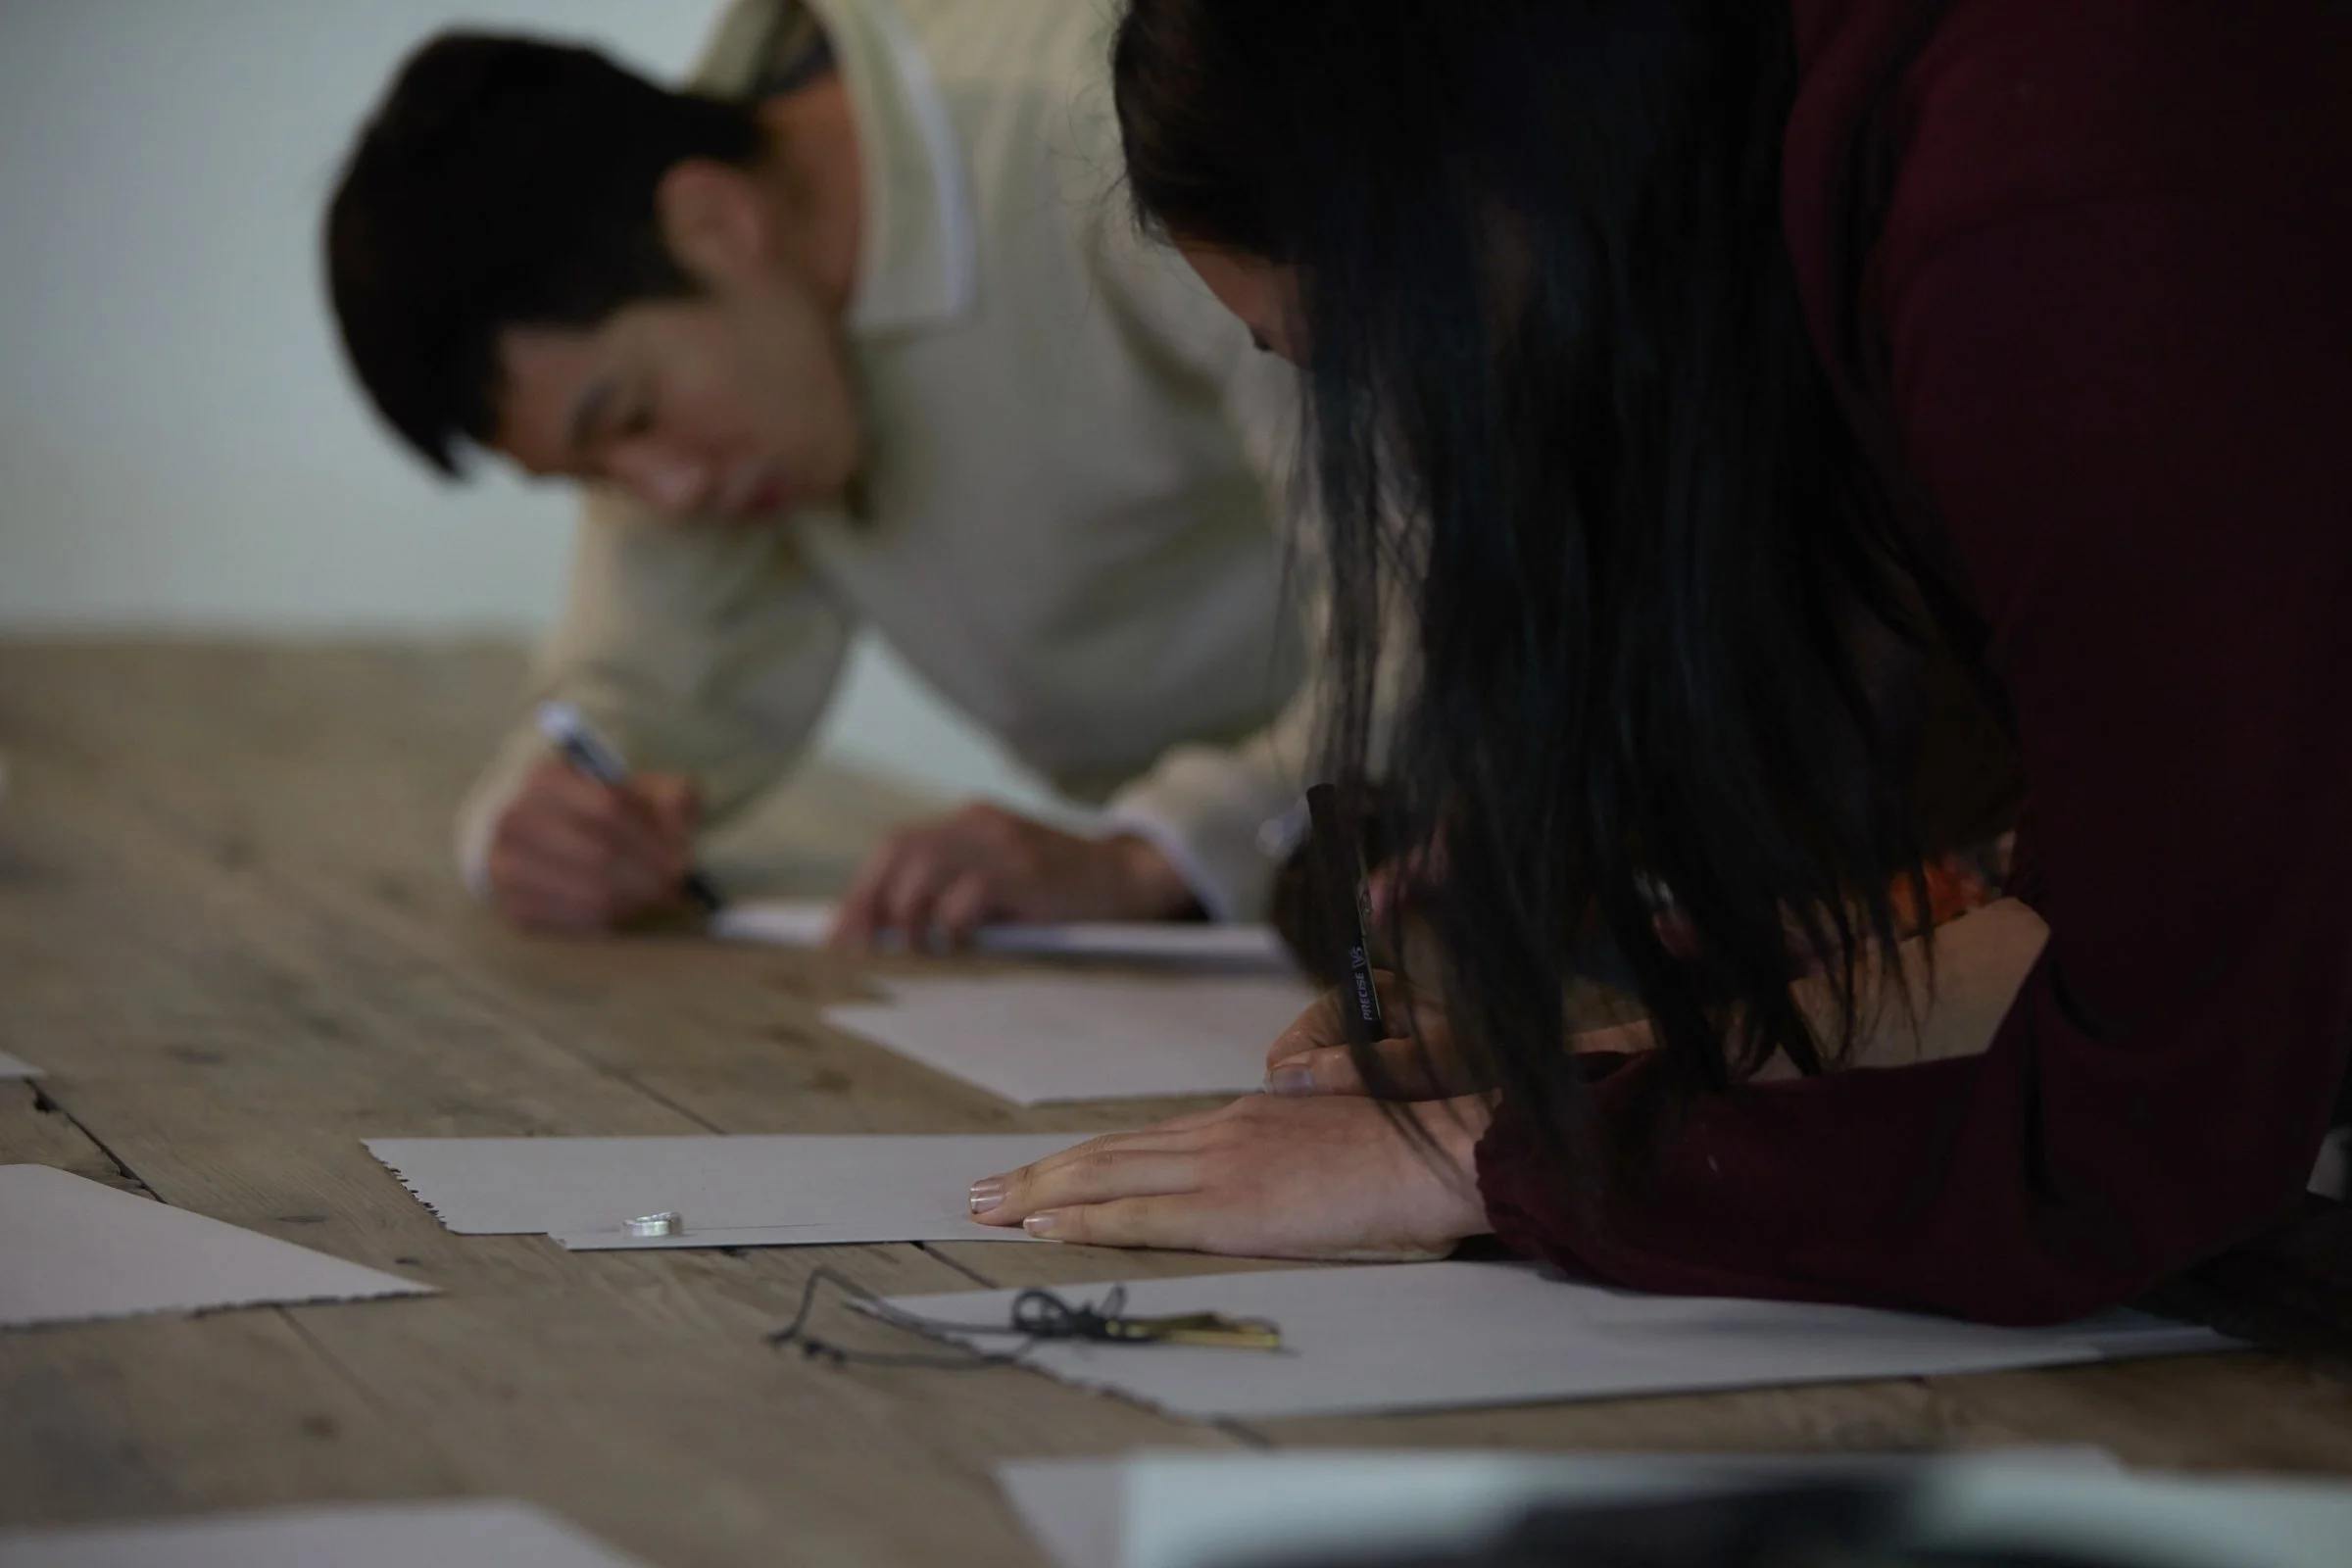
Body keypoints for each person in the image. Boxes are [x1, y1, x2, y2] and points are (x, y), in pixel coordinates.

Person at [969, 0, 2352, 1323]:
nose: (1406, 436)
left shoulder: (2034, 208)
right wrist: (1616, 1070)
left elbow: (2167, 1117)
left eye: (1376, 357)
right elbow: (2148, 949)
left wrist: (1478, 1162)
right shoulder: (1864, 142)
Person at [323, 0, 1319, 945]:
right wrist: (532, 828)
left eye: (630, 417)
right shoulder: (693, 281)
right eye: (596, 473)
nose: (663, 493)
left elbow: (1443, 603)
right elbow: (643, 695)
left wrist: (1160, 855)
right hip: (1250, 931)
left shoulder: (1119, 126)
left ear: (714, 223)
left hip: (1428, 857)